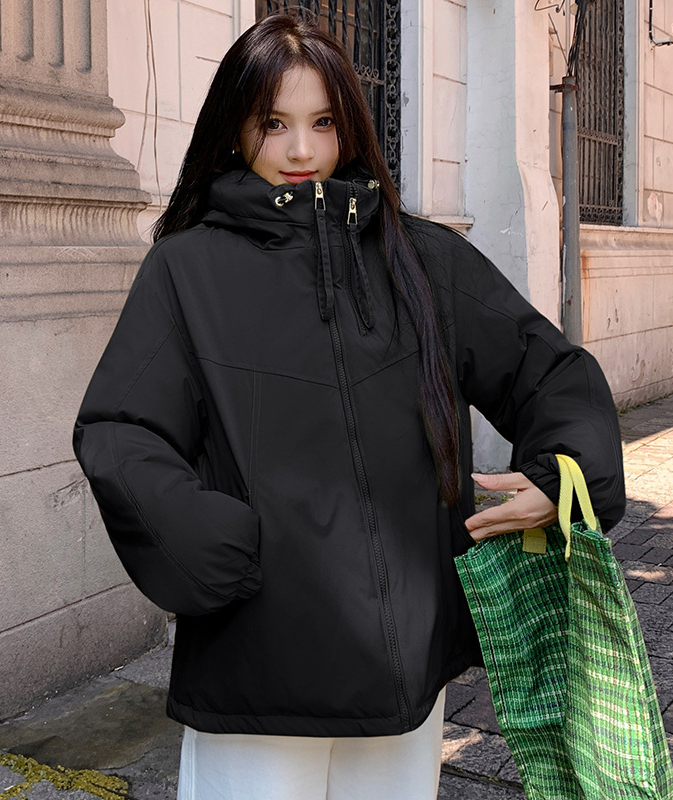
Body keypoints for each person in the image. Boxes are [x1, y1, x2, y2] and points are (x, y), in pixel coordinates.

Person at [73, 12, 625, 800]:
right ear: (236, 128)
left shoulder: (421, 257)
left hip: (407, 671)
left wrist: (565, 471)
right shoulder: (185, 271)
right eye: (273, 123)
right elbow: (122, 432)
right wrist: (216, 548)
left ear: (352, 126)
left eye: (324, 122)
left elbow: (550, 371)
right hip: (259, 667)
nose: (301, 150)